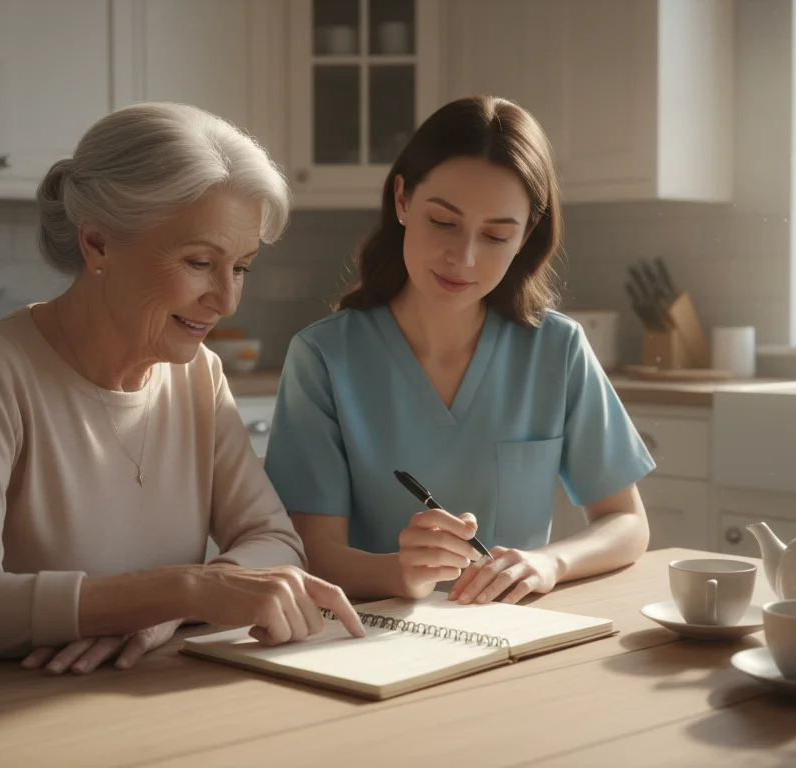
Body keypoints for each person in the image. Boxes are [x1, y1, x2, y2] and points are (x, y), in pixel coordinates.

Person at [0, 102, 365, 677]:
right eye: (201, 262)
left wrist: (161, 615)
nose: (226, 301)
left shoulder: (197, 374)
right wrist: (184, 590)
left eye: (242, 268)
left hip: (98, 708)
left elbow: (275, 541)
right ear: (98, 244)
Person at [263, 95, 654, 607]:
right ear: (402, 199)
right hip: (366, 643)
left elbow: (626, 521)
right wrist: (399, 574)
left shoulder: (557, 349)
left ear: (526, 234)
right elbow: (310, 552)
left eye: (495, 235)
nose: (463, 258)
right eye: (443, 223)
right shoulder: (322, 358)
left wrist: (549, 562)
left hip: (516, 638)